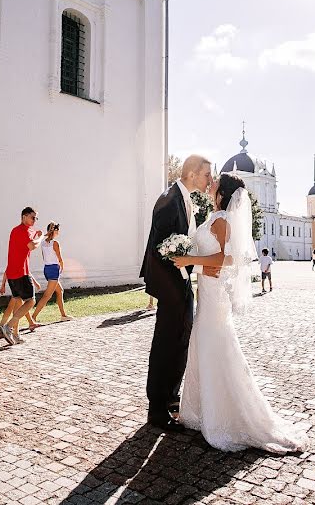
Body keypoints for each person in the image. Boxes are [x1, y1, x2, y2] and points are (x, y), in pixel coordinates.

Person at [171, 173, 306, 453]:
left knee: (213, 345)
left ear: (224, 191)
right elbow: (216, 257)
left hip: (214, 294)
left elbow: (225, 259)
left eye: (216, 183)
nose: (211, 185)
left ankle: (224, 417)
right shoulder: (215, 216)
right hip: (207, 290)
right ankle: (200, 411)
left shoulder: (222, 221)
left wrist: (188, 260)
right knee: (204, 346)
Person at [140, 154, 214, 432]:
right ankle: (156, 408)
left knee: (181, 339)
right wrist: (175, 282)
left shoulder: (186, 199)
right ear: (193, 173)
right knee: (165, 344)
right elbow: (160, 247)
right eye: (207, 174)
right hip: (170, 283)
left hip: (182, 282)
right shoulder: (168, 199)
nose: (209, 180)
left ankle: (172, 398)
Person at [0, 207, 43, 345]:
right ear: (24, 217)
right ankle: (8, 327)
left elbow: (29, 238)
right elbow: (32, 245)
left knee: (18, 303)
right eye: (32, 217)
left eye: (36, 218)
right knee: (31, 301)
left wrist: (38, 234)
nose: (34, 220)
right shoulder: (20, 230)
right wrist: (40, 237)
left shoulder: (22, 230)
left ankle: (16, 335)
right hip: (20, 272)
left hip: (12, 273)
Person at [31, 222, 73, 323]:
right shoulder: (55, 243)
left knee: (60, 290)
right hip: (54, 269)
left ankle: (63, 315)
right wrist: (61, 267)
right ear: (55, 231)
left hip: (46, 269)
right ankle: (33, 317)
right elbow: (60, 258)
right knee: (47, 296)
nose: (58, 232)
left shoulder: (43, 243)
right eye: (57, 230)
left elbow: (44, 257)